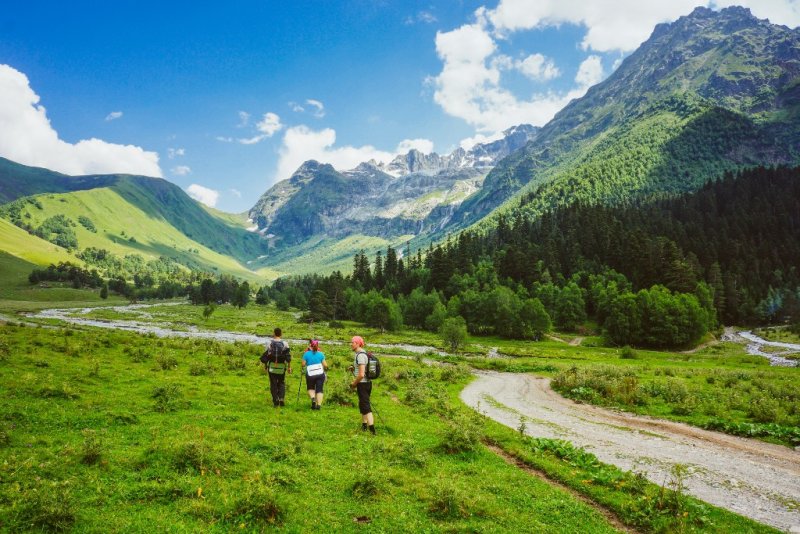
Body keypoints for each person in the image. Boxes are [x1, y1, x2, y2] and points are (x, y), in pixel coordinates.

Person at [349, 335, 375, 434]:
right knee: (363, 404)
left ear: (358, 343)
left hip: (363, 384)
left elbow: (361, 374)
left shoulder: (360, 355)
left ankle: (372, 430)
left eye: (353, 342)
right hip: (366, 383)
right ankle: (364, 426)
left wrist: (354, 384)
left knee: (366, 406)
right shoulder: (360, 354)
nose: (351, 344)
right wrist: (353, 368)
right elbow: (360, 370)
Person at [264, 327, 291, 407]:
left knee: (273, 383)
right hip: (282, 366)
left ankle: (275, 399)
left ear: (274, 333)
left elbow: (266, 355)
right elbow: (288, 357)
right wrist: (289, 367)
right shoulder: (285, 343)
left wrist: (265, 366)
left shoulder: (269, 343)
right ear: (281, 334)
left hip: (272, 366)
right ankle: (281, 398)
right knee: (281, 382)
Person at [301, 339, 328, 410]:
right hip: (320, 374)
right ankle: (318, 405)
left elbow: (303, 364)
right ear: (317, 346)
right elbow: (325, 365)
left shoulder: (306, 354)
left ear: (311, 345)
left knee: (310, 388)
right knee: (319, 389)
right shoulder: (321, 354)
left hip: (310, 374)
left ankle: (313, 399)